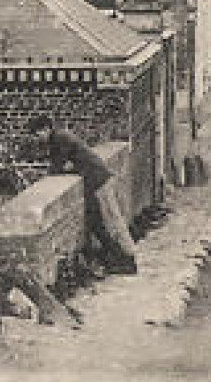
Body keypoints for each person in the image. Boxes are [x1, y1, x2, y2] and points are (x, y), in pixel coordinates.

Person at [27, 115, 137, 274]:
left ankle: (129, 259)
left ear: (46, 129)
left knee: (112, 219)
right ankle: (118, 259)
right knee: (98, 221)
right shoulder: (57, 138)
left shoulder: (60, 138)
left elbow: (58, 165)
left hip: (99, 180)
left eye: (37, 135)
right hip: (92, 181)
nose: (37, 139)